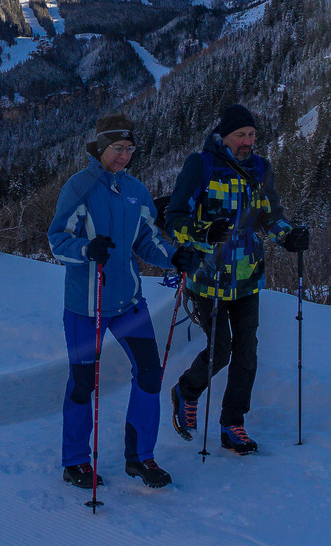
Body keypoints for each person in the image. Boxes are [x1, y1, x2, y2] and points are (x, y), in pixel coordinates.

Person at [47, 112, 203, 491]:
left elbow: (147, 241)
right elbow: (57, 241)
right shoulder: (78, 187)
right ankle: (75, 461)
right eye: (118, 148)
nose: (124, 156)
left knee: (150, 375)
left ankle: (140, 458)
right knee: (83, 382)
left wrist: (174, 256)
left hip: (129, 302)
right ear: (101, 147)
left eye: (129, 149)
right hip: (87, 304)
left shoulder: (136, 190)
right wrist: (87, 248)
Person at [166, 104, 310, 455]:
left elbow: (270, 214)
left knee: (247, 352)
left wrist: (288, 235)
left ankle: (233, 423)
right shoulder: (200, 165)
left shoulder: (260, 168)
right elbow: (173, 218)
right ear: (224, 136)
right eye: (241, 135)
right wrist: (203, 231)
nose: (248, 142)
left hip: (246, 277)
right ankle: (186, 390)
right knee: (220, 349)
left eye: (252, 136)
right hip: (207, 276)